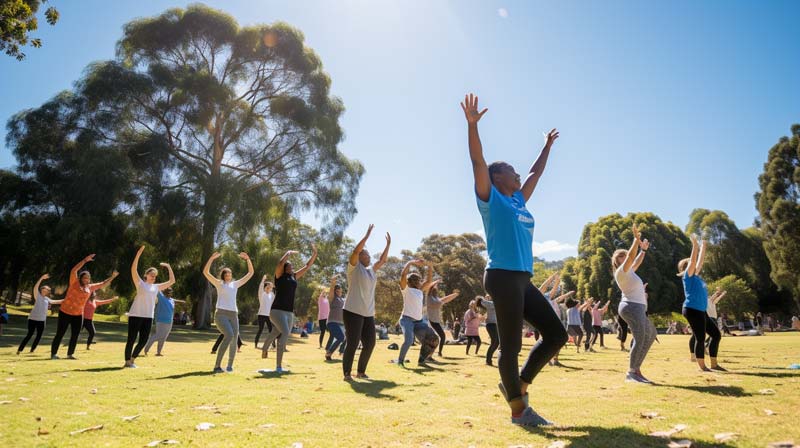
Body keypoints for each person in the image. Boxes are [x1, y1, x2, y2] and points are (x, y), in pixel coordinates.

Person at [462, 93, 566, 426]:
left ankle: (518, 385)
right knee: (509, 345)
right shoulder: (490, 198)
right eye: (511, 171)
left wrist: (546, 147)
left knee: (556, 334)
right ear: (497, 179)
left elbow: (535, 174)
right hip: (501, 275)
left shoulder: (519, 200)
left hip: (522, 277)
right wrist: (472, 127)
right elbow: (478, 162)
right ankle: (518, 411)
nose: (517, 174)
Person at [342, 224, 390, 381]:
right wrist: (367, 236)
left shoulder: (371, 271)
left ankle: (361, 372)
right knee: (353, 343)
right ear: (359, 257)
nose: (368, 256)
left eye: (368, 254)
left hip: (368, 313)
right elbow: (356, 251)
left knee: (370, 343)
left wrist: (388, 245)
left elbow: (383, 260)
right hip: (352, 311)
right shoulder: (353, 268)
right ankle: (347, 374)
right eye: (365, 254)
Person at [260, 245, 318, 373]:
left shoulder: (294, 276)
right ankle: (279, 366)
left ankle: (264, 348)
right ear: (285, 268)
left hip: (289, 312)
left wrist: (314, 254)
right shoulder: (279, 276)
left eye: (292, 267)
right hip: (276, 311)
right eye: (289, 267)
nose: (291, 268)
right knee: (285, 333)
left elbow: (307, 266)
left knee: (276, 332)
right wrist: (288, 253)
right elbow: (280, 263)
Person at [612, 223, 657, 384]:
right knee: (640, 337)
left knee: (651, 334)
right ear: (617, 263)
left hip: (637, 307)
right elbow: (632, 257)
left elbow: (636, 260)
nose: (625, 258)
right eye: (621, 257)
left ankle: (636, 369)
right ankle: (631, 373)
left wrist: (643, 249)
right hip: (631, 306)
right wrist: (635, 241)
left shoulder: (630, 271)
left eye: (624, 255)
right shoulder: (621, 272)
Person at [51, 255, 118, 360]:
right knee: (60, 333)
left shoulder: (90, 287)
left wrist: (113, 277)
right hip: (65, 311)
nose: (87, 280)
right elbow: (74, 270)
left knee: (75, 335)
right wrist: (85, 260)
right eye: (85, 278)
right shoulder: (74, 282)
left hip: (78, 314)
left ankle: (70, 354)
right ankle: (54, 354)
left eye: (88, 278)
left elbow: (103, 284)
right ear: (81, 278)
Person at [203, 251, 254, 373]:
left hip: (233, 314)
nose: (228, 275)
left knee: (234, 338)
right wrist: (211, 258)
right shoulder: (219, 284)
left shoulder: (235, 284)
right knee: (229, 335)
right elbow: (205, 272)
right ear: (223, 275)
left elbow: (250, 273)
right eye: (226, 273)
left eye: (230, 273)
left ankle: (230, 366)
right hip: (221, 314)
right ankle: (217, 366)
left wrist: (248, 259)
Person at [125, 246, 175, 368]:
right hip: (136, 315)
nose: (153, 277)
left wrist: (168, 267)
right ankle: (127, 362)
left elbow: (172, 281)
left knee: (143, 340)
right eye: (151, 275)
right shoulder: (140, 284)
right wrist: (138, 254)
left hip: (148, 317)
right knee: (131, 339)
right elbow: (133, 269)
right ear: (146, 275)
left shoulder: (156, 287)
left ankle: (132, 359)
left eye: (155, 276)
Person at [392, 259, 439, 366]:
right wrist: (410, 263)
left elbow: (429, 281)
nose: (420, 282)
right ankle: (400, 361)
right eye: (418, 280)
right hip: (407, 320)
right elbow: (403, 275)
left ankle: (422, 360)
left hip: (419, 322)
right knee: (408, 340)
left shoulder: (419, 290)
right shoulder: (406, 289)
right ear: (412, 281)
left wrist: (430, 266)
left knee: (433, 339)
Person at [18, 274, 63, 354]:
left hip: (42, 320)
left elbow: (56, 301)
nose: (45, 291)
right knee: (29, 335)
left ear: (47, 292)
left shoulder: (47, 299)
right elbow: (36, 286)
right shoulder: (37, 296)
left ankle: (32, 350)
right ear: (41, 290)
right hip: (33, 319)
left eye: (46, 290)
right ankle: (20, 350)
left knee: (38, 336)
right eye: (44, 289)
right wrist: (41, 278)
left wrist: (68, 298)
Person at [144, 287, 185, 356]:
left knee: (164, 337)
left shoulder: (171, 300)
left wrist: (182, 302)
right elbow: (157, 288)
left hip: (169, 321)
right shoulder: (161, 297)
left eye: (171, 292)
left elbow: (175, 300)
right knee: (158, 336)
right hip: (160, 320)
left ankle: (158, 352)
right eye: (168, 291)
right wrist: (162, 287)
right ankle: (146, 349)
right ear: (165, 292)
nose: (169, 293)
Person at [426, 281, 459, 357]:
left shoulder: (435, 298)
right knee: (438, 337)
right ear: (431, 290)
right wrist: (436, 282)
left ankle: (437, 353)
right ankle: (433, 353)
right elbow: (442, 301)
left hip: (436, 321)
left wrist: (454, 295)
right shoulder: (429, 298)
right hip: (432, 321)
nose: (436, 290)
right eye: (434, 289)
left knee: (440, 337)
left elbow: (445, 299)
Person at [324, 275, 347, 360]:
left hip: (341, 323)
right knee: (341, 337)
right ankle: (329, 353)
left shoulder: (342, 300)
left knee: (345, 337)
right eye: (336, 291)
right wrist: (333, 282)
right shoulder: (332, 298)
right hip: (332, 322)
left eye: (339, 291)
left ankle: (341, 352)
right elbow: (331, 291)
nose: (338, 293)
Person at [477, 295, 500, 365]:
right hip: (490, 325)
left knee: (497, 342)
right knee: (494, 342)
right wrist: (484, 298)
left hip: (494, 325)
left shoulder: (493, 303)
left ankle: (489, 358)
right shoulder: (490, 304)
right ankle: (488, 360)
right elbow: (480, 300)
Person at [254, 278, 275, 348]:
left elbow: (274, 303)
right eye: (267, 287)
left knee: (271, 330)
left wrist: (271, 285)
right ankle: (256, 344)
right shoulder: (262, 294)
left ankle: (273, 345)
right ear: (265, 287)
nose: (269, 288)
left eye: (270, 287)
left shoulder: (272, 295)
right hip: (261, 315)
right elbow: (260, 287)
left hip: (269, 316)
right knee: (260, 329)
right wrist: (263, 279)